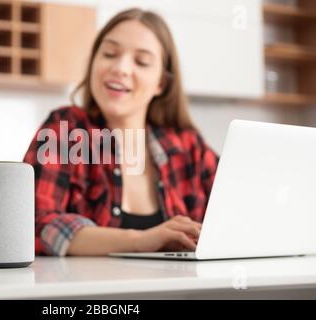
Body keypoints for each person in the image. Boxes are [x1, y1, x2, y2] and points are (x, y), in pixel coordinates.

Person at [23, 8, 219, 256]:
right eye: (109, 54)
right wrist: (141, 239)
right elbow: (31, 225)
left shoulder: (188, 146)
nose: (121, 68)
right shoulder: (66, 129)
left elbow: (238, 214)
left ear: (162, 83)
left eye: (141, 62)